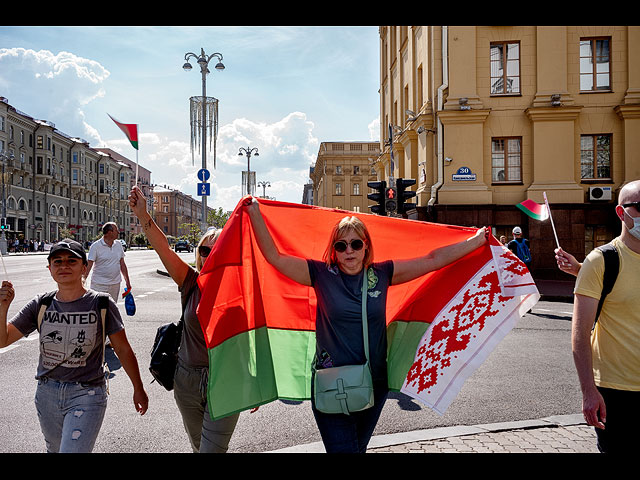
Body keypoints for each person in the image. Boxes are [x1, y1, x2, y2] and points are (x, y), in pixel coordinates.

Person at [245, 197, 488, 453]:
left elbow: (432, 260)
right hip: (331, 383)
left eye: (355, 244)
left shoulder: (382, 274)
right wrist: (255, 214)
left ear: (366, 246)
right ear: (334, 250)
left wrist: (476, 242)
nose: (349, 251)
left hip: (373, 383)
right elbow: (274, 257)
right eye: (341, 245)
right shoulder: (320, 274)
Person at [0, 238, 148, 453]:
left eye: (71, 260)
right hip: (47, 393)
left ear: (84, 267)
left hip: (87, 394)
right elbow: (3, 340)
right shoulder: (41, 303)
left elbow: (123, 349)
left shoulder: (102, 303)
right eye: (57, 261)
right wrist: (3, 307)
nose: (64, 266)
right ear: (49, 268)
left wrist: (138, 388)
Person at [128, 186, 245, 453]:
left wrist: (256, 379)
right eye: (205, 250)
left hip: (227, 381)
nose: (210, 255)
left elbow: (253, 335)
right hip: (187, 382)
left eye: (219, 250)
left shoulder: (241, 287)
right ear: (199, 255)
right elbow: (163, 249)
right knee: (199, 448)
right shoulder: (190, 281)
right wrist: (144, 215)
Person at [570, 180, 640, 453]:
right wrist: (589, 391)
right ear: (621, 213)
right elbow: (579, 334)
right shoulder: (601, 260)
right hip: (616, 393)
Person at [87, 222, 131, 302]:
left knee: (112, 309)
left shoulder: (118, 245)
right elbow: (88, 266)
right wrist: (81, 283)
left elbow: (122, 264)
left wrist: (127, 281)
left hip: (115, 284)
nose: (118, 232)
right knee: (98, 309)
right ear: (109, 232)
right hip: (99, 285)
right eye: (116, 230)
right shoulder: (96, 246)